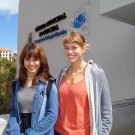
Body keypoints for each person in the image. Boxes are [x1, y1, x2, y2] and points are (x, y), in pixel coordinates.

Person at [54, 31, 112, 135]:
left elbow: (106, 111)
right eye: (66, 48)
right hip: (58, 131)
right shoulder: (62, 73)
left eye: (74, 47)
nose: (70, 51)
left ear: (83, 48)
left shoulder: (96, 73)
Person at [6, 43, 58, 135]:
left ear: (41, 61)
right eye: (27, 59)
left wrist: (31, 133)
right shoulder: (15, 85)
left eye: (36, 59)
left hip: (40, 132)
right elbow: (14, 111)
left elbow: (52, 115)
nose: (31, 63)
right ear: (23, 61)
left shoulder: (49, 84)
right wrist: (13, 132)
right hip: (20, 131)